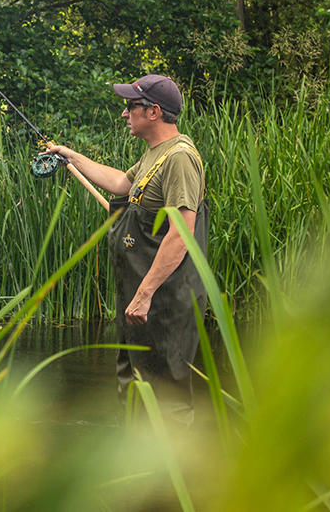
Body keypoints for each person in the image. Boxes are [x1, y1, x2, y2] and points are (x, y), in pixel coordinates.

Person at [45, 75, 208, 424]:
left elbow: (182, 233)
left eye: (131, 106)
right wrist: (70, 155)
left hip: (165, 300)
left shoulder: (180, 158)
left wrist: (145, 293)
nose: (124, 113)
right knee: (135, 385)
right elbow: (123, 183)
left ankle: (175, 473)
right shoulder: (156, 154)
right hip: (143, 296)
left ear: (154, 112)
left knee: (167, 396)